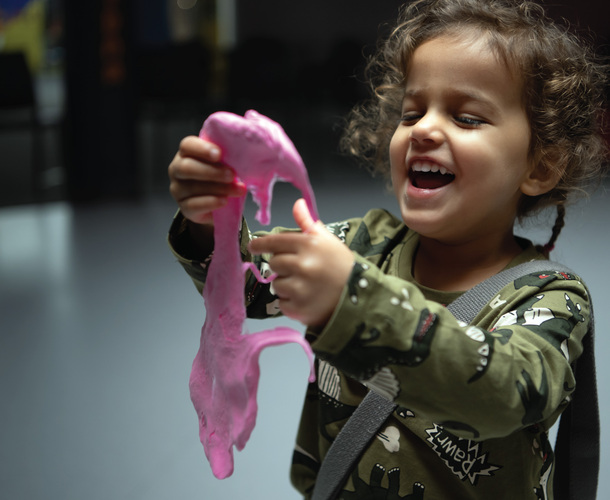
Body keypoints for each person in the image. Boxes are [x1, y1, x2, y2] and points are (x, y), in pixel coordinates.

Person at [167, 0, 607, 498]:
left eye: (466, 117)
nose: (423, 129)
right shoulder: (360, 246)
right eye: (412, 112)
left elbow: (505, 394)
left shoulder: (548, 297)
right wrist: (211, 221)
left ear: (539, 167)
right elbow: (247, 286)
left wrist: (355, 302)